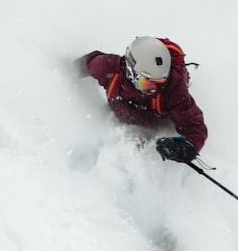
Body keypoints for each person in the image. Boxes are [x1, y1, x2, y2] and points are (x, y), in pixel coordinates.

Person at [79, 36, 207, 163]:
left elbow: (195, 125)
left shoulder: (172, 88)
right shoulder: (109, 68)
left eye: (159, 81)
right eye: (146, 82)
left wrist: (185, 149)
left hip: (154, 122)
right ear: (131, 72)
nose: (154, 87)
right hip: (122, 113)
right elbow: (82, 65)